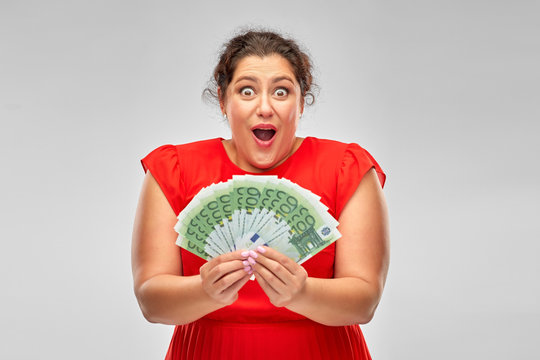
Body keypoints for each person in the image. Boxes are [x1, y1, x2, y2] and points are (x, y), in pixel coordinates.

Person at [132, 30, 389, 360]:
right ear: (224, 101)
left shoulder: (347, 169)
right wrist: (203, 289)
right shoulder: (173, 169)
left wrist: (303, 291)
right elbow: (151, 302)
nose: (265, 107)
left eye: (281, 91)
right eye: (247, 91)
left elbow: (364, 301)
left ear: (301, 101)